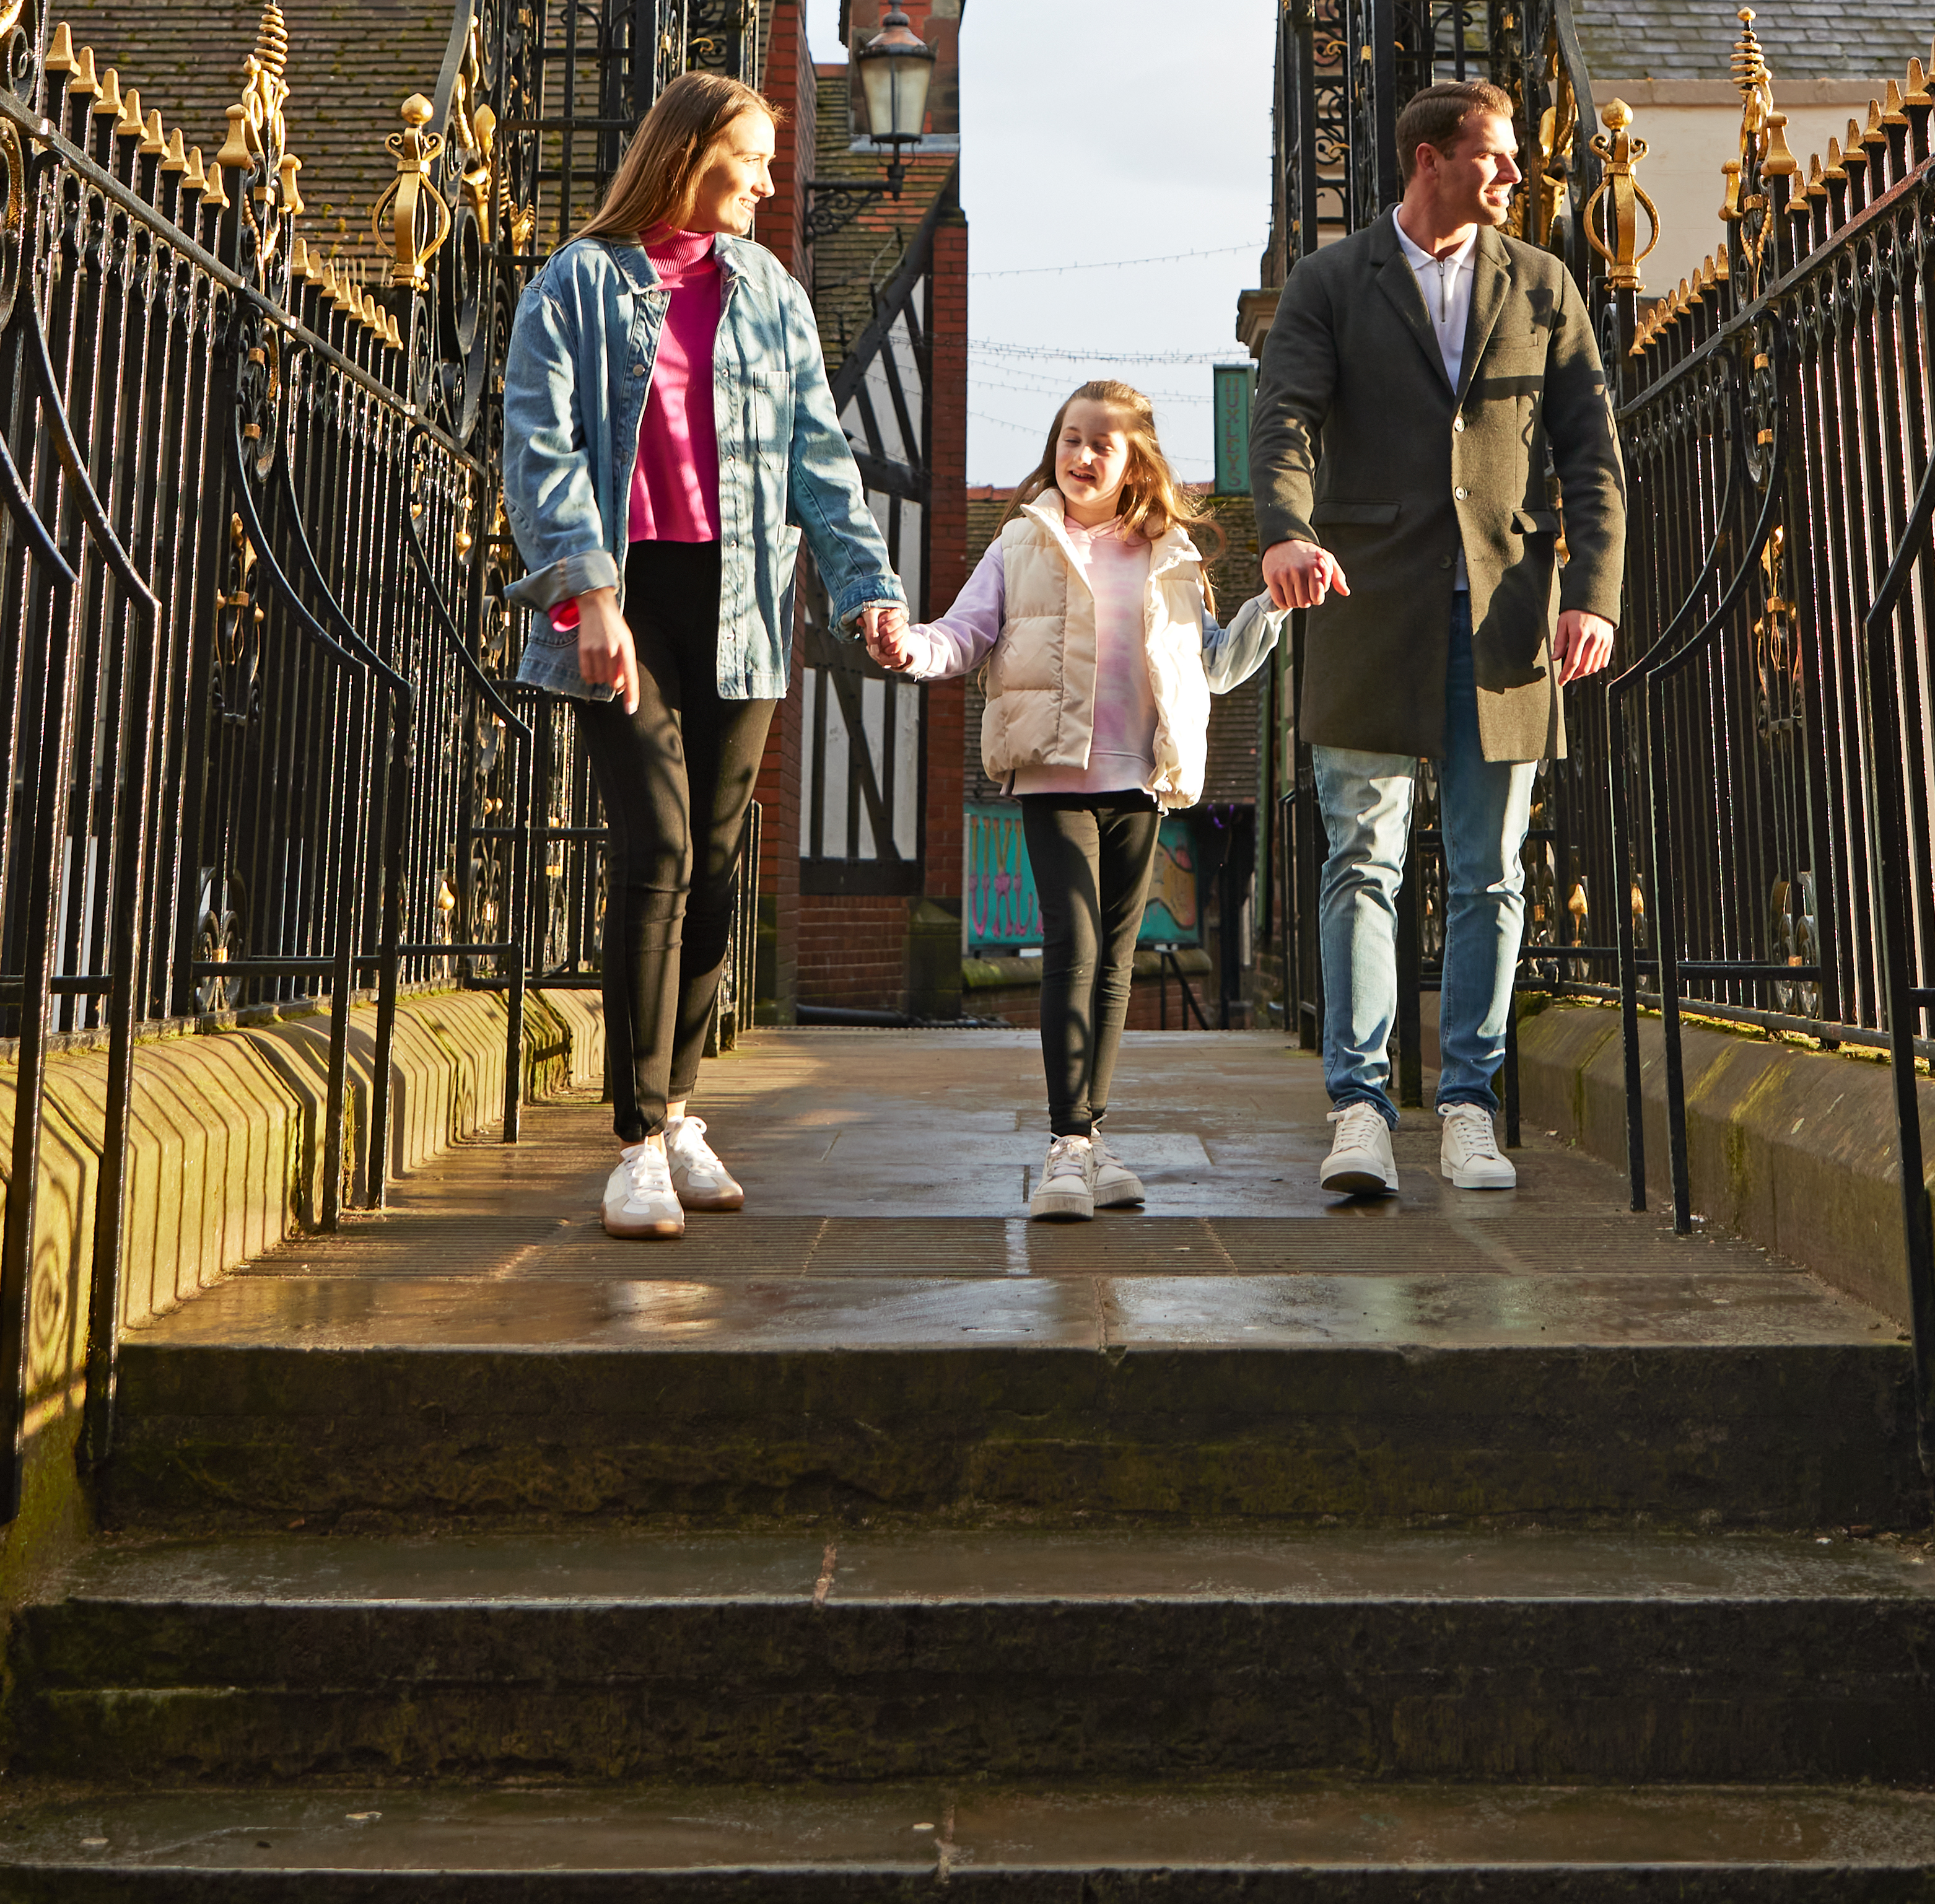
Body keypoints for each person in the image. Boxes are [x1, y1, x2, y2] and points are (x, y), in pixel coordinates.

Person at [499, 71, 902, 1241]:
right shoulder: (576, 284)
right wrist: (590, 595)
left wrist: (869, 588)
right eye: (755, 159)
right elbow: (541, 444)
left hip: (743, 598)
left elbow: (820, 459)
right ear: (688, 155)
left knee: (718, 860)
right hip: (626, 597)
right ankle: (633, 1139)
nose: (772, 184)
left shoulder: (770, 292)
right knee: (658, 846)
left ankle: (680, 1110)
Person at [1251, 80, 1622, 1207]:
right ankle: (1359, 1109)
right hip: (1366, 602)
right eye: (1496, 157)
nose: (1515, 174)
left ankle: (1469, 1107)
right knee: (1361, 859)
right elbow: (1286, 418)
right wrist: (1285, 532)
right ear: (1428, 159)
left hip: (1507, 616)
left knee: (1491, 874)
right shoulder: (1327, 282)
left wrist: (1594, 595)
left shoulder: (1546, 285)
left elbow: (1592, 453)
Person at [861, 376, 1278, 1223]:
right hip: (1053, 772)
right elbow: (963, 634)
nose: (1082, 455)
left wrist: (1274, 606)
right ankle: (1066, 1145)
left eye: (1102, 444)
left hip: (1141, 780)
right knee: (1074, 944)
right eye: (1070, 440)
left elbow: (1215, 667)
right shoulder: (1022, 542)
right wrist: (911, 648)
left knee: (1116, 967)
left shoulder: (1171, 556)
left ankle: (1091, 1136)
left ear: (1135, 465)